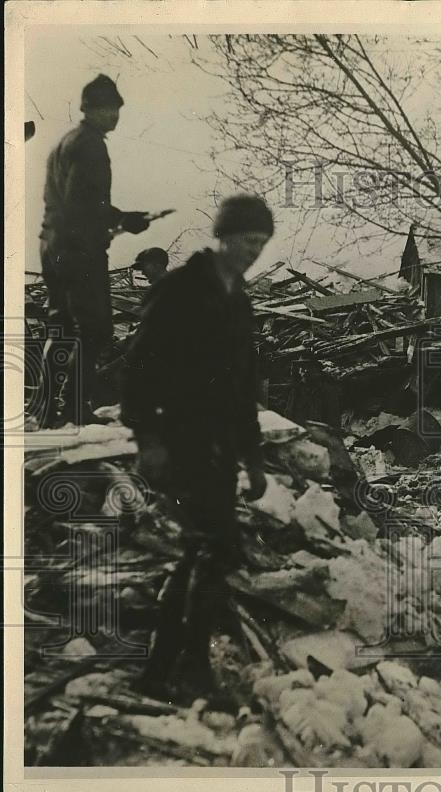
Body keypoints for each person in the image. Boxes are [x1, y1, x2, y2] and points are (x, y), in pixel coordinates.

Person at [121, 194, 273, 701]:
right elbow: (138, 369)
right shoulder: (182, 290)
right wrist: (149, 441)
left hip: (220, 448)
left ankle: (172, 667)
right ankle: (174, 668)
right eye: (246, 239)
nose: (253, 250)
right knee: (210, 545)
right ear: (223, 237)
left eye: (261, 242)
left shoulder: (239, 299)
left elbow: (244, 387)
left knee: (206, 550)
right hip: (181, 440)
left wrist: (252, 460)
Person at [38, 74, 152, 426]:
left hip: (52, 243)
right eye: (107, 108)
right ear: (89, 109)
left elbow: (75, 203)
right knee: (95, 330)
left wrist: (114, 219)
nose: (114, 114)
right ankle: (73, 409)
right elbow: (83, 204)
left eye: (116, 107)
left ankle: (43, 410)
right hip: (78, 250)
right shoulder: (90, 145)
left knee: (60, 324)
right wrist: (125, 219)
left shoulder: (65, 142)